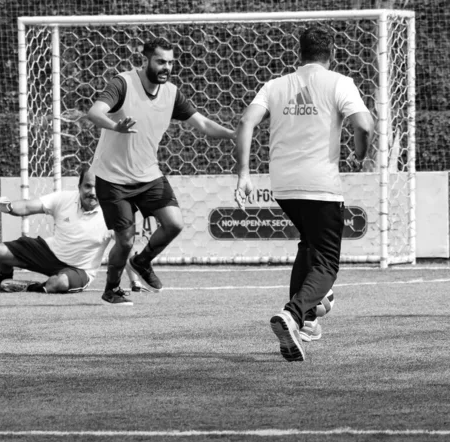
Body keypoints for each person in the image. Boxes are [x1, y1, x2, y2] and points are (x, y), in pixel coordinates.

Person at [234, 25, 374, 362]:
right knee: (327, 261)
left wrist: (244, 174)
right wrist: (360, 152)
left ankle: (306, 322)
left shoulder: (275, 85)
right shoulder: (340, 83)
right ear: (333, 53)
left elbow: (245, 123)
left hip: (283, 185)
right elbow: (365, 126)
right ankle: (294, 314)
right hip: (320, 185)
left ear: (300, 53)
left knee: (308, 245)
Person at [86, 36, 236, 305]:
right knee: (125, 241)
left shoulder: (171, 93)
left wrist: (233, 134)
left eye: (170, 62)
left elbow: (202, 124)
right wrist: (114, 125)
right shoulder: (123, 83)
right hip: (112, 179)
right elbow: (95, 112)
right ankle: (111, 289)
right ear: (145, 60)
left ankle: (142, 262)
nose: (166, 67)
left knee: (174, 223)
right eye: (160, 61)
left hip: (148, 175)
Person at [0, 166, 135, 298]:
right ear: (79, 187)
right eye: (87, 186)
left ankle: (31, 287)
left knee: (58, 283)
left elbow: (125, 246)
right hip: (49, 253)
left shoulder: (114, 213)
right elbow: (27, 206)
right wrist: (9, 207)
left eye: (97, 187)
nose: (92, 192)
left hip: (79, 270)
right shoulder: (64, 199)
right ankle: (2, 283)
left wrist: (135, 281)